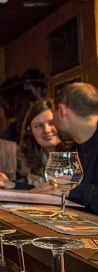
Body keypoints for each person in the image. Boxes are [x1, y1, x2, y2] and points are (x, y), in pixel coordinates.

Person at [33, 83, 98, 214]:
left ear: (61, 111)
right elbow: (52, 188)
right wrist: (15, 186)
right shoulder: (75, 148)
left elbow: (67, 189)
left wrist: (72, 190)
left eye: (53, 115)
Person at [0, 100, 62, 189]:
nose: (46, 130)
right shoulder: (36, 155)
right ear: (30, 130)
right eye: (38, 126)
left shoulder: (76, 154)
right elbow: (36, 188)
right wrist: (10, 184)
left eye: (51, 123)